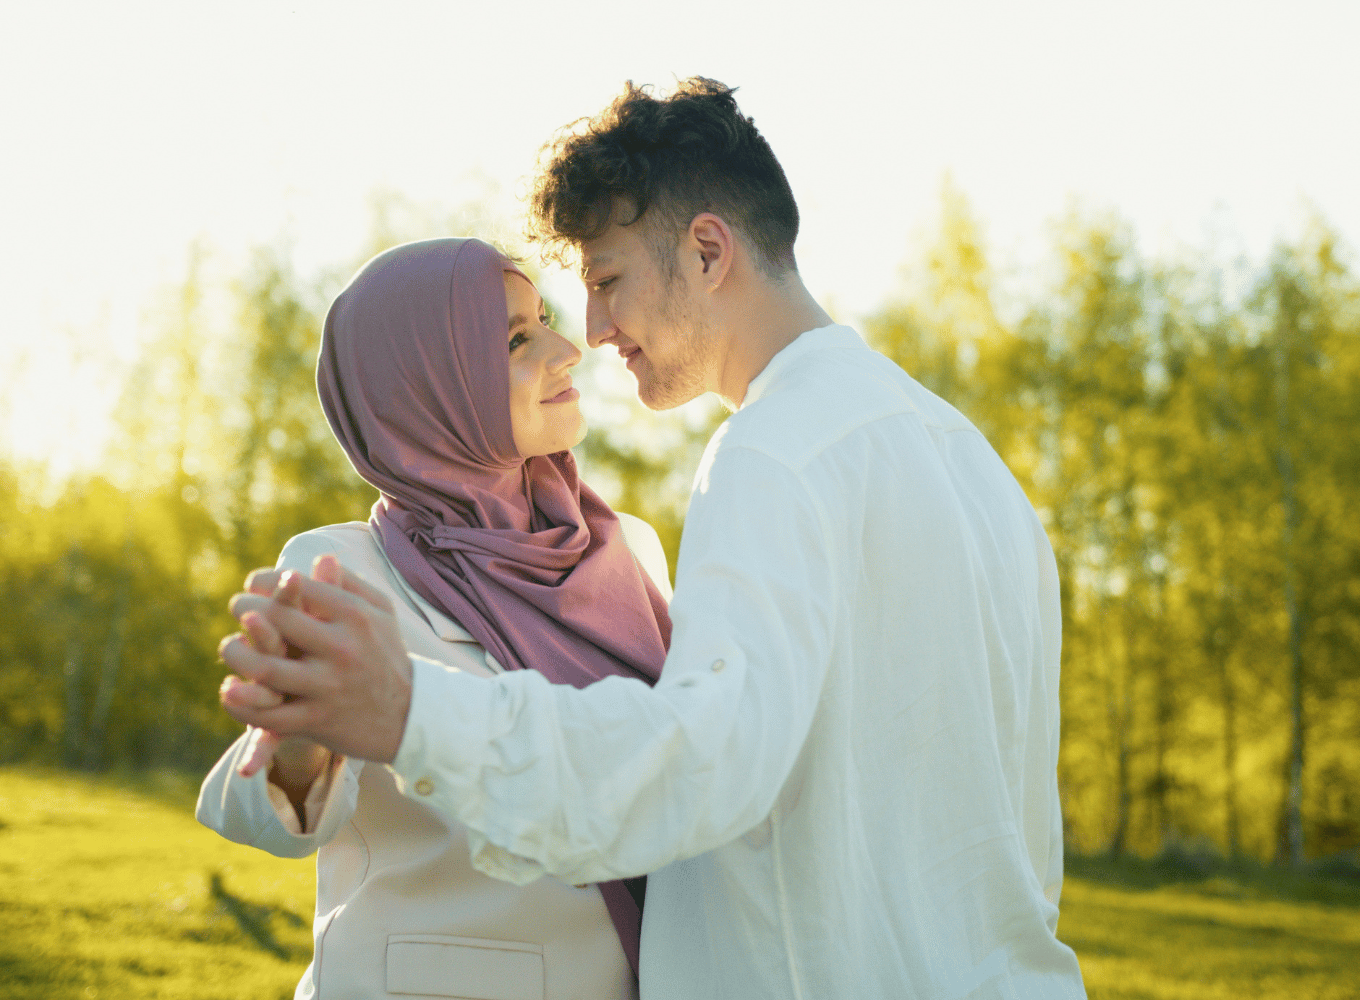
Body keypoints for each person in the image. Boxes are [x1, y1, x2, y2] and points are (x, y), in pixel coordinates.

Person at [221, 78, 1089, 999]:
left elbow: (703, 763)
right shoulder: (976, 467)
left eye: (606, 282)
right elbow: (1013, 823)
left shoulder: (771, 454)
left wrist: (412, 713)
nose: (590, 333)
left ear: (708, 251)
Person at [200, 237, 674, 1000]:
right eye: (515, 340)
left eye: (545, 323)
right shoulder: (340, 568)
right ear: (427, 385)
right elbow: (270, 822)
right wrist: (302, 734)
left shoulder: (634, 551)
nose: (568, 352)